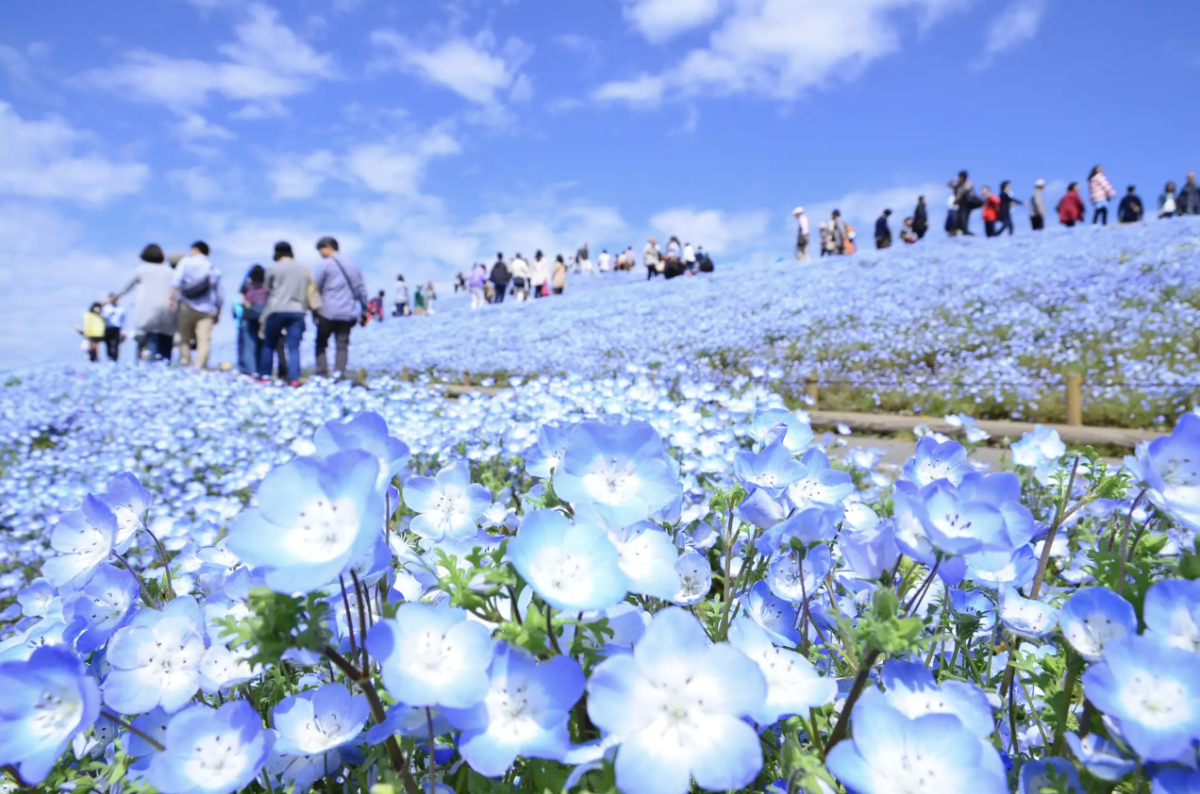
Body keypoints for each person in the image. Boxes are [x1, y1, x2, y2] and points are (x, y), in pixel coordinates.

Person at [313, 236, 368, 378]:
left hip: (328, 311)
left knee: (321, 343)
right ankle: (339, 375)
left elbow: (316, 287)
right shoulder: (353, 265)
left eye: (320, 250)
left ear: (328, 247)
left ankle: (321, 374)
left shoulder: (325, 264)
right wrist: (364, 308)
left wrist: (314, 309)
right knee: (342, 345)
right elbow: (361, 289)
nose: (320, 253)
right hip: (348, 312)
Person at [113, 244, 176, 361]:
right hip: (168, 310)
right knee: (166, 341)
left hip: (148, 310)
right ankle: (166, 369)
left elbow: (126, 286)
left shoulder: (142, 269)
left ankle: (152, 371)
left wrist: (115, 296)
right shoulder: (170, 271)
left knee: (151, 340)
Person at [258, 242, 308, 386]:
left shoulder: (273, 268)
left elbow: (266, 289)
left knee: (268, 344)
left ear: (277, 254)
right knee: (293, 347)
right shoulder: (301, 269)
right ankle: (294, 379)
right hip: (297, 310)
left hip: (276, 309)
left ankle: (265, 376)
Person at [168, 240, 223, 369]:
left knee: (184, 338)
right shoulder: (212, 267)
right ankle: (200, 367)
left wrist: (170, 299)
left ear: (196, 249)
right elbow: (220, 293)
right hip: (207, 308)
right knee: (204, 339)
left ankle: (185, 364)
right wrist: (218, 310)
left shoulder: (186, 262)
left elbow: (176, 281)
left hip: (186, 304)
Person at [238, 265, 267, 376]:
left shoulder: (246, 285)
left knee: (249, 346)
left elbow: (240, 301)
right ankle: (261, 372)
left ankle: (251, 372)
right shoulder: (267, 286)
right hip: (264, 317)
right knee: (262, 345)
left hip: (248, 317)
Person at [948, 170, 978, 235]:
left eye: (960, 177)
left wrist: (957, 199)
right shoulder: (959, 184)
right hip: (960, 204)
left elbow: (964, 191)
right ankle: (958, 231)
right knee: (958, 218)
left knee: (964, 218)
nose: (960, 178)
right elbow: (949, 185)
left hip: (967, 203)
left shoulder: (968, 183)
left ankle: (966, 232)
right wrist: (954, 179)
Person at [99, 294, 126, 361]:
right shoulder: (106, 308)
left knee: (116, 344)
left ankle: (115, 359)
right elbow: (101, 314)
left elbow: (123, 320)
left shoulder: (121, 309)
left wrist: (123, 330)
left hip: (117, 328)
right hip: (108, 327)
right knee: (108, 344)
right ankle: (109, 357)